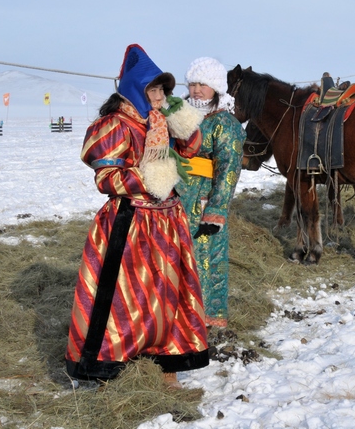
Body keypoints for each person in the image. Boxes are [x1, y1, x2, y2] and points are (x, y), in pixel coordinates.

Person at [65, 44, 208, 389]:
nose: (160, 97)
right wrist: (152, 175)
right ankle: (109, 369)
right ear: (136, 89)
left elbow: (190, 150)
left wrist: (182, 119)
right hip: (130, 224)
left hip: (168, 221)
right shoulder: (115, 124)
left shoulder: (160, 121)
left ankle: (167, 367)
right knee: (123, 297)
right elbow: (106, 179)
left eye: (163, 90)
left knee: (169, 292)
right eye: (154, 90)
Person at [176, 57, 245, 329]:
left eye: (203, 84)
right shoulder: (178, 115)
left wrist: (216, 207)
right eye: (192, 83)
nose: (196, 90)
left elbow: (229, 168)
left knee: (204, 259)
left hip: (203, 202)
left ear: (216, 87)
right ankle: (176, 318)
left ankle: (203, 320)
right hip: (174, 199)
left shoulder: (224, 122)